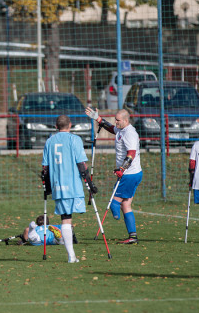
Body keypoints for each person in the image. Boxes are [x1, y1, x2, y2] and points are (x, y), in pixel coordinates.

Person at [42, 115, 97, 263]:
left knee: (66, 218)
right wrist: (90, 184)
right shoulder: (75, 139)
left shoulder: (49, 141)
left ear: (56, 126)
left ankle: (71, 255)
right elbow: (81, 164)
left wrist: (47, 186)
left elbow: (45, 168)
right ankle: (71, 256)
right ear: (70, 125)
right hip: (73, 186)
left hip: (58, 186)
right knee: (68, 218)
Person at [85, 107, 142, 244]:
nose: (115, 122)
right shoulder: (121, 129)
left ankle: (117, 217)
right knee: (126, 205)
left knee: (114, 204)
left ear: (126, 120)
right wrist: (98, 119)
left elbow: (131, 154)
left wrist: (122, 169)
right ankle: (132, 236)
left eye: (118, 120)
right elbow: (112, 129)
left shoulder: (130, 134)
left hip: (129, 174)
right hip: (132, 174)